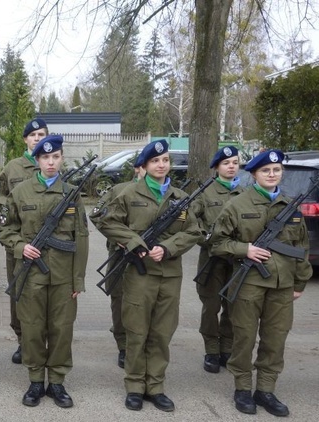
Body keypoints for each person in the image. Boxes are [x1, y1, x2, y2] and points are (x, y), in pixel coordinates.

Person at [95, 140, 202, 412]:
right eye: (155, 161)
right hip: (138, 275)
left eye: (165, 160)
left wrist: (168, 248)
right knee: (137, 332)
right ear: (144, 166)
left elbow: (193, 231)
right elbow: (107, 221)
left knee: (162, 333)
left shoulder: (180, 198)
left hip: (169, 275)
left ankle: (155, 386)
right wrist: (133, 242)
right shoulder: (129, 193)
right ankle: (133, 386)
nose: (161, 165)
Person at [210, 149, 311, 417]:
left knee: (275, 339)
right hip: (249, 284)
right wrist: (246, 250)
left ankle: (265, 390)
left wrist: (300, 282)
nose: (272, 174)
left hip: (282, 285)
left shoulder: (291, 206)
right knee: (243, 337)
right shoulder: (237, 205)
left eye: (276, 170)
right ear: (254, 174)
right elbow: (217, 244)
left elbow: (301, 247)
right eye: (266, 170)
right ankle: (242, 388)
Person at [0, 135, 89, 408]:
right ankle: (36, 380)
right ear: (37, 160)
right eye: (45, 158)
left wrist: (78, 280)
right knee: (33, 328)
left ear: (61, 159)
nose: (51, 162)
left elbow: (81, 237)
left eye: (56, 157)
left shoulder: (72, 193)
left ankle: (57, 382)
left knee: (61, 330)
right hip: (31, 275)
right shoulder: (20, 192)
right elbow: (4, 229)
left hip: (63, 277)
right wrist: (20, 247)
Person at [0, 118, 48, 364]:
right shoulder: (13, 168)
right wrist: (14, 207)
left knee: (46, 292)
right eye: (33, 134)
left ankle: (42, 341)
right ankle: (22, 339)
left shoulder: (51, 166)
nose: (37, 138)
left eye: (42, 134)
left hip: (47, 244)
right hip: (17, 241)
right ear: (25, 139)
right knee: (18, 289)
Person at [189, 146, 243, 374]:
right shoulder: (205, 192)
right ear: (217, 167)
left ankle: (226, 349)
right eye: (226, 163)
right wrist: (205, 239)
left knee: (233, 306)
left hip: (238, 261)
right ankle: (211, 350)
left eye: (234, 163)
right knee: (210, 306)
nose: (231, 166)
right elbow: (191, 220)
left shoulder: (246, 192)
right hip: (212, 260)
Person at [89, 155, 146, 369]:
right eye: (146, 165)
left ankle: (144, 345)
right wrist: (120, 238)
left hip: (150, 258)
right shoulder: (119, 190)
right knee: (120, 301)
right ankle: (123, 346)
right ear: (138, 169)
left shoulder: (165, 195)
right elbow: (97, 215)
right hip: (121, 256)